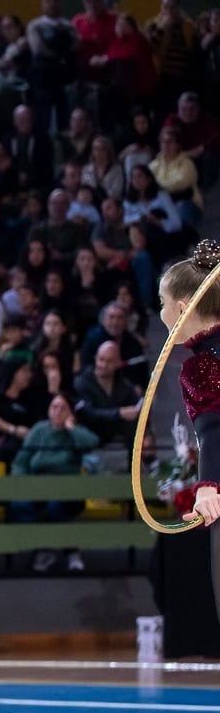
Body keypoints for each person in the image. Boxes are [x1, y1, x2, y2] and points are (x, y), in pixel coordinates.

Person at [155, 241, 220, 618]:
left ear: (181, 309)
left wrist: (208, 486)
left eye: (162, 304)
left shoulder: (201, 366)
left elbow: (213, 427)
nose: (161, 313)